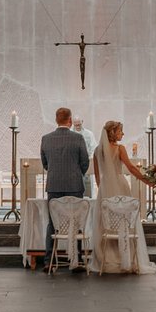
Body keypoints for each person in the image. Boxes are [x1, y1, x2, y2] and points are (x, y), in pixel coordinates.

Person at [90, 120, 156, 274]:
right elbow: (131, 168)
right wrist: (147, 181)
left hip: (104, 188)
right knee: (124, 222)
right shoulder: (119, 148)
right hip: (120, 186)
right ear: (113, 133)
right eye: (121, 131)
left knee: (105, 222)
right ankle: (125, 257)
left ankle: (106, 257)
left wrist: (103, 189)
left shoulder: (96, 150)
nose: (123, 134)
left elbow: (97, 176)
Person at [41, 107, 91, 267]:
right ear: (69, 120)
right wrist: (76, 174)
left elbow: (45, 163)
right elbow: (85, 161)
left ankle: (49, 261)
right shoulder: (78, 138)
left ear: (57, 120)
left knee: (52, 222)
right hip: (74, 185)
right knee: (76, 221)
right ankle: (76, 259)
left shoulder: (46, 138)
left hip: (54, 185)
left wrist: (56, 173)